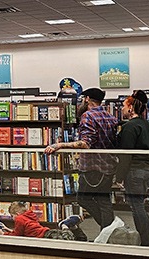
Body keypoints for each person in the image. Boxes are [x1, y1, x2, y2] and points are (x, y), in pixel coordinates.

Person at [45, 87, 125, 242]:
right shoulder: (111, 116)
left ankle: (110, 228)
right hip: (108, 165)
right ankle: (109, 233)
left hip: (92, 166)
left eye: (82, 99)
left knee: (83, 198)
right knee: (104, 200)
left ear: (87, 99)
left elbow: (85, 144)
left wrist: (60, 145)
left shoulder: (88, 116)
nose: (81, 102)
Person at [114, 91, 149, 246]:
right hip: (147, 169)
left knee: (137, 206)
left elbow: (125, 155)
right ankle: (147, 241)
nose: (122, 109)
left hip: (135, 170)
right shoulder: (148, 125)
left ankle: (148, 242)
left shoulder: (130, 127)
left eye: (124, 106)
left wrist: (119, 177)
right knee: (139, 204)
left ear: (131, 107)